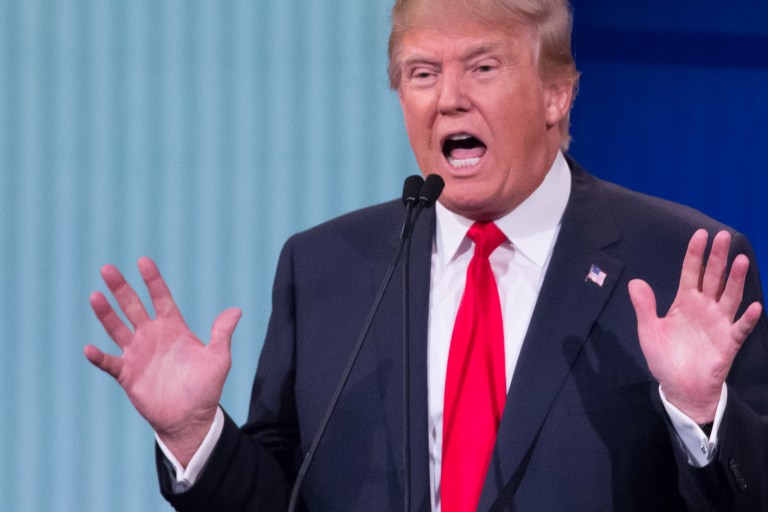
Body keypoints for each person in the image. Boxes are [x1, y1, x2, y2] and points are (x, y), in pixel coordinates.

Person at [85, 0, 768, 510]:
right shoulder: (324, 268)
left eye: (482, 67)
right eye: (422, 73)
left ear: (557, 95)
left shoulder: (679, 261)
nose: (448, 98)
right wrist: (196, 435)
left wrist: (701, 413)